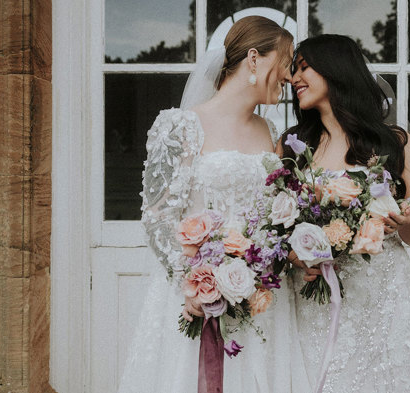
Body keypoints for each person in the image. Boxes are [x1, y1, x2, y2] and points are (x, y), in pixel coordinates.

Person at [118, 16, 309, 393]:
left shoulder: (269, 132)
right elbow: (157, 216)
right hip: (197, 292)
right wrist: (194, 283)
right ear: (253, 59)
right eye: (285, 63)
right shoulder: (180, 126)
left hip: (262, 298)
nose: (289, 77)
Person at [278, 34, 410, 392]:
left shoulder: (394, 143)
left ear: (336, 70)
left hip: (383, 293)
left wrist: (406, 222)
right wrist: (296, 257)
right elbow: (278, 230)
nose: (294, 78)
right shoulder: (292, 146)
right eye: (293, 70)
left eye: (304, 68)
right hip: (317, 297)